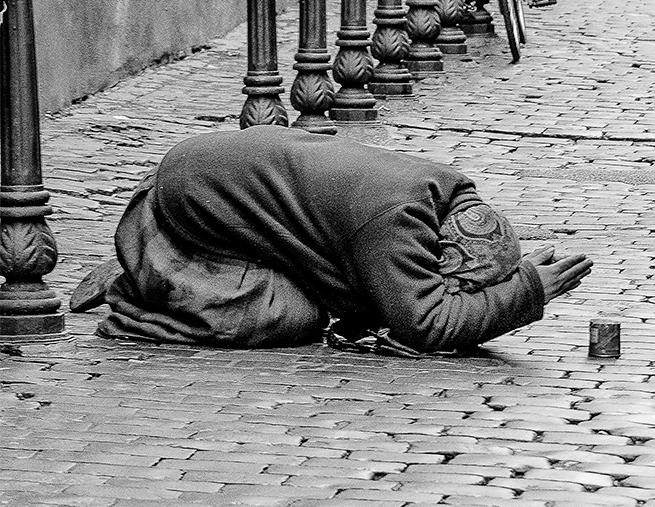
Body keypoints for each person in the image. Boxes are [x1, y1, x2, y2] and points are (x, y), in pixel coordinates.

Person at [74, 129, 592, 351]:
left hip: (217, 175)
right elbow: (426, 322)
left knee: (313, 300)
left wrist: (498, 271)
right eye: (453, 282)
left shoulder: (443, 192)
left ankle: (158, 262)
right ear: (437, 255)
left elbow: (404, 292)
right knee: (287, 318)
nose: (452, 290)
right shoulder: (394, 224)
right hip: (193, 195)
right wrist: (527, 290)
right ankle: (140, 292)